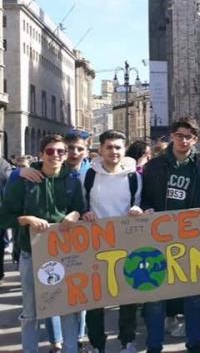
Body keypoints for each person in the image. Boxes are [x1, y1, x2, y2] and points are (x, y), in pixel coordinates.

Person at [0, 134, 86, 353]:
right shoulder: (24, 180)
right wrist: (27, 219)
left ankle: (70, 349)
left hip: (65, 253)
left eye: (60, 152)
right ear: (41, 154)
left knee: (67, 307)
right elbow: (5, 216)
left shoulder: (73, 179)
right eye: (49, 151)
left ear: (65, 155)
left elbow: (82, 209)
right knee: (31, 310)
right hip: (31, 252)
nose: (55, 156)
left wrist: (75, 214)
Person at [140, 117, 200, 353]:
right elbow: (145, 199)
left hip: (192, 239)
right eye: (179, 135)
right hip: (157, 238)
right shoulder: (154, 166)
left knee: (192, 296)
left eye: (188, 136)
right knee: (156, 295)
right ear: (172, 136)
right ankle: (154, 345)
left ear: (195, 139)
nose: (183, 140)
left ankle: (194, 344)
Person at [82, 130, 143, 353]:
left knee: (128, 295)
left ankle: (127, 341)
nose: (113, 151)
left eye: (118, 147)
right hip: (95, 243)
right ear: (101, 150)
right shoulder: (89, 175)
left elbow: (139, 203)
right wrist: (84, 213)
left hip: (126, 242)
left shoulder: (133, 176)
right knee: (95, 298)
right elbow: (81, 204)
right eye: (109, 147)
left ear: (124, 150)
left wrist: (138, 210)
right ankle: (97, 343)